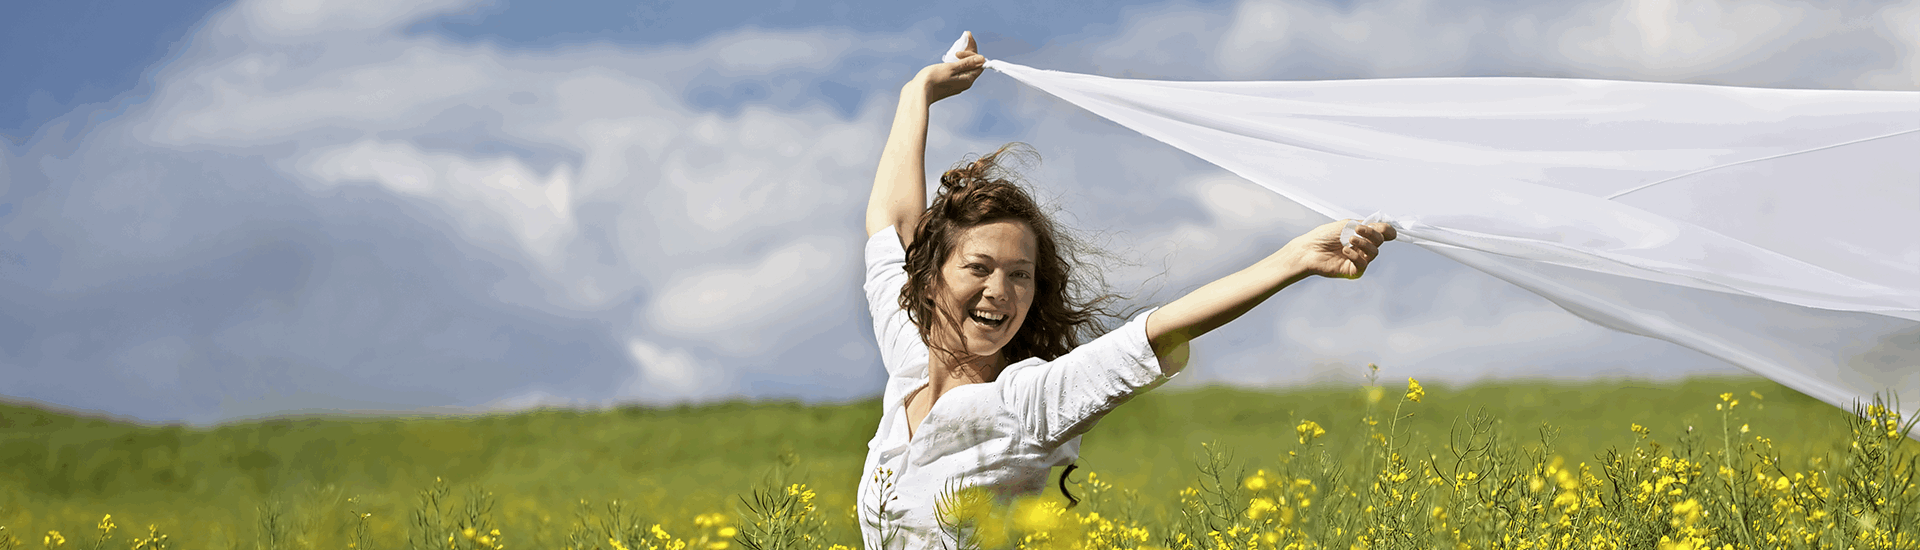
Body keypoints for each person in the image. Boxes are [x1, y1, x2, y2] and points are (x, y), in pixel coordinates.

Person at [856, 34, 1396, 549]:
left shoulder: (1024, 404)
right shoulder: (909, 365)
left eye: (1020, 274)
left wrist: (1295, 260)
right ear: (928, 280)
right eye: (979, 267)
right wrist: (919, 91)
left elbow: (1150, 336)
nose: (999, 291)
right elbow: (892, 225)